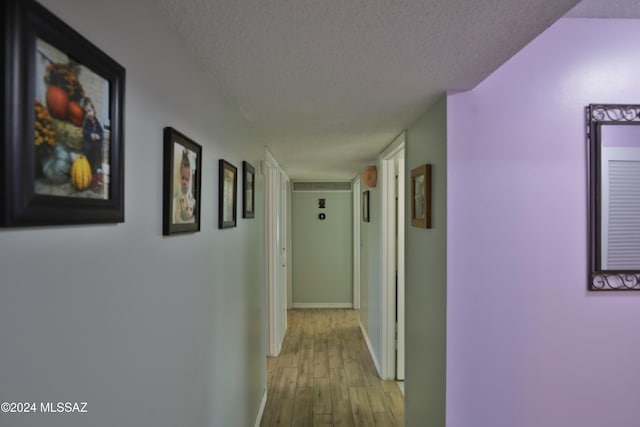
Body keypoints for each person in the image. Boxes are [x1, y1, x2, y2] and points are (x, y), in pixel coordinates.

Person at [82, 98, 104, 191]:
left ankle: (99, 175)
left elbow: (101, 132)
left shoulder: (97, 122)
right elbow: (85, 132)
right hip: (90, 148)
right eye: (87, 112)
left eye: (90, 111)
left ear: (94, 111)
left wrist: (98, 136)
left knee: (98, 159)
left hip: (97, 147)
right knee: (92, 162)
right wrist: (91, 135)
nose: (89, 114)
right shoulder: (87, 123)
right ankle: (94, 180)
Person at [173, 150, 196, 224]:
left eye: (187, 179)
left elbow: (193, 204)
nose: (184, 182)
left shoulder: (190, 195)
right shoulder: (178, 196)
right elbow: (177, 218)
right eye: (182, 178)